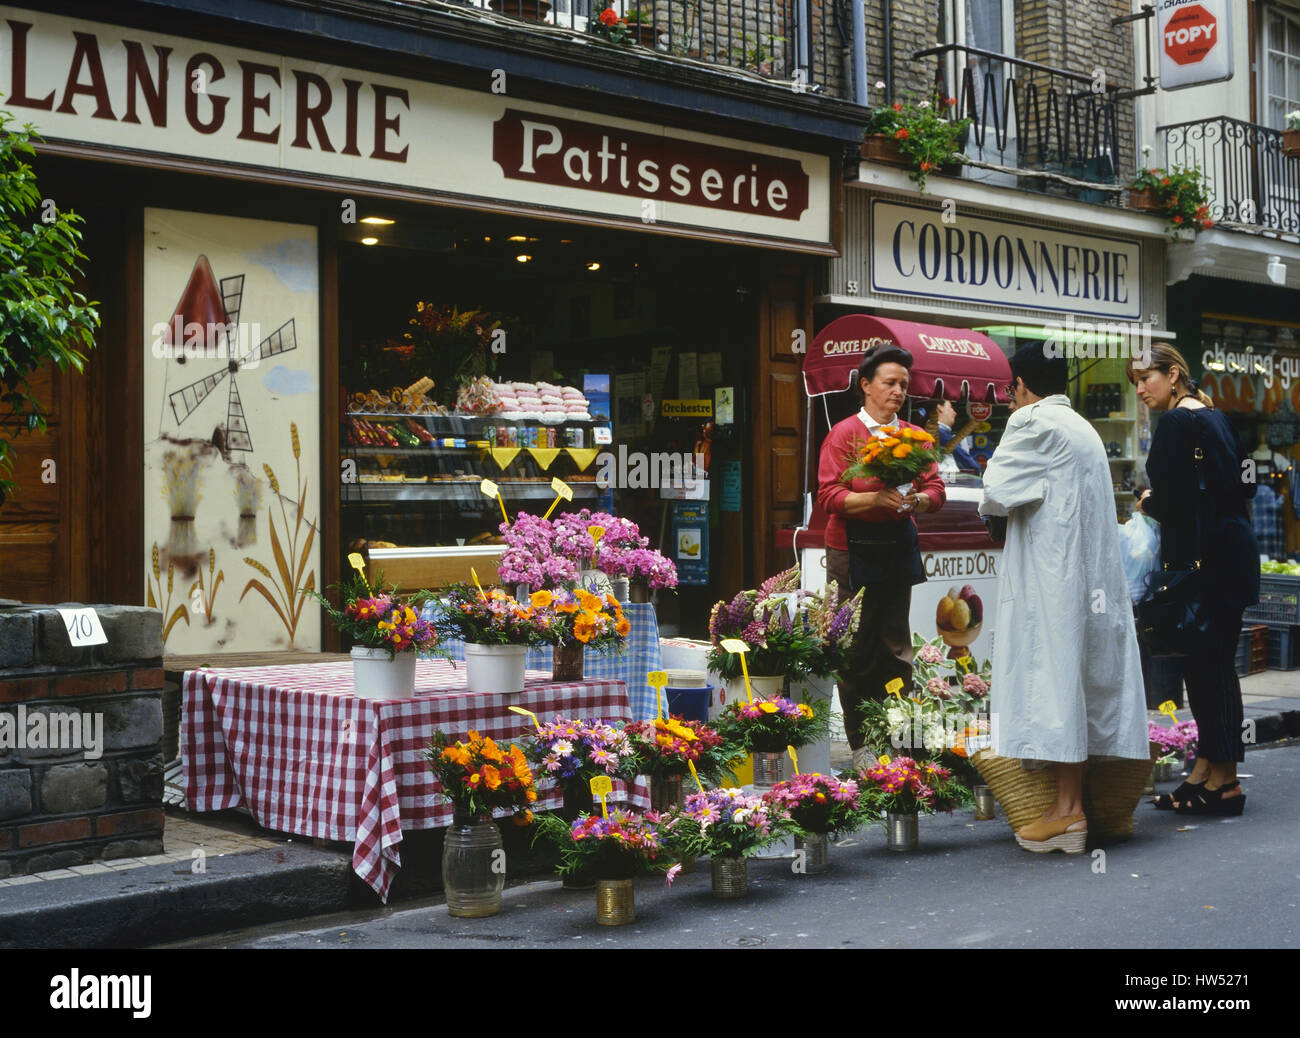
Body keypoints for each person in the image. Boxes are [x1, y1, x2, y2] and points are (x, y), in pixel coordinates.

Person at [979, 344, 1148, 853]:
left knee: (1053, 680)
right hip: (1091, 581)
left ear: (1022, 385)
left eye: (1011, 388)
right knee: (1078, 679)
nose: (1010, 398)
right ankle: (1071, 806)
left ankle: (1068, 811)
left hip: (1052, 582)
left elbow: (996, 492)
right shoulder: (1085, 429)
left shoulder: (1032, 421)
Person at [1132, 342, 1259, 816]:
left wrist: (1149, 503)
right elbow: (1247, 481)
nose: (1142, 389)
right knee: (1213, 665)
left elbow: (1173, 500)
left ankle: (1225, 784)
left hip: (1203, 562)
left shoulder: (1177, 423)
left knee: (1209, 669)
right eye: (1136, 382)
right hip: (1232, 552)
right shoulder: (1215, 417)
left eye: (1148, 377)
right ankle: (1206, 770)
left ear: (1174, 374)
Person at [817, 345, 946, 769]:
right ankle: (862, 747)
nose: (897, 391)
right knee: (854, 649)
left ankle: (898, 739)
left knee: (895, 648)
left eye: (904, 385)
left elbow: (935, 490)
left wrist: (919, 503)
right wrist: (874, 496)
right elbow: (829, 496)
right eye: (889, 383)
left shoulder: (916, 437)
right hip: (850, 551)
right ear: (865, 385)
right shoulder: (844, 434)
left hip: (897, 548)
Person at [934, 399, 981, 473]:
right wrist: (978, 470)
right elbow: (963, 457)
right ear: (940, 407)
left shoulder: (941, 433)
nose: (955, 413)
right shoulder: (939, 433)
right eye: (950, 407)